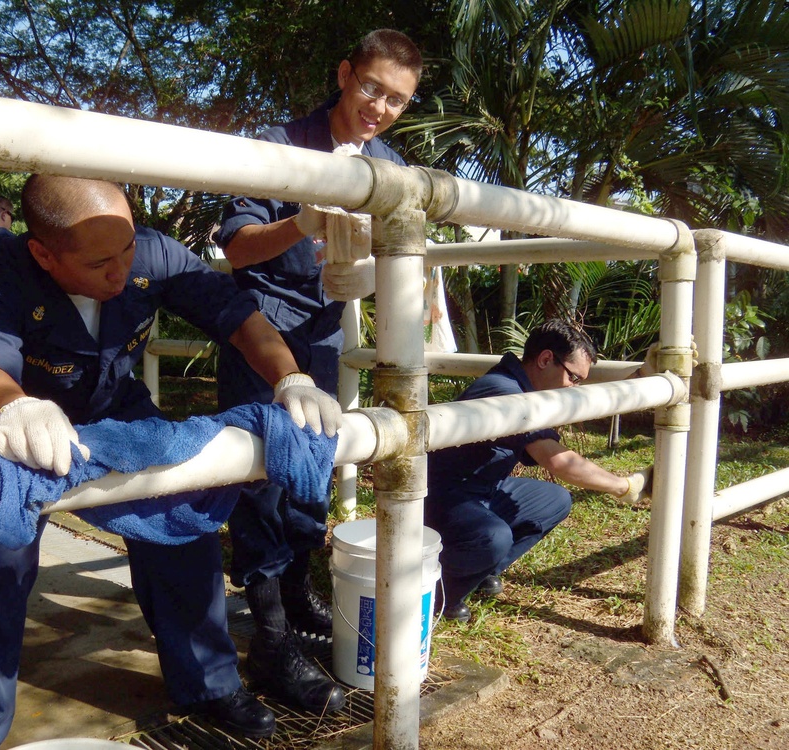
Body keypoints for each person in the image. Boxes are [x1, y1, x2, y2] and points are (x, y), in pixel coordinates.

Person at [0, 174, 344, 747]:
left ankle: (209, 682)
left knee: (182, 525)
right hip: (16, 420)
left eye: (126, 249)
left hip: (116, 409)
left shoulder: (150, 250)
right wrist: (16, 409)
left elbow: (237, 314)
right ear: (42, 253)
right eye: (100, 261)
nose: (121, 270)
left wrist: (290, 375)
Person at [212, 28, 422, 708]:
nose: (380, 108)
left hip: (326, 329)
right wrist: (303, 223)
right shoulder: (278, 143)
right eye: (371, 88)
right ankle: (269, 636)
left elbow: (395, 261)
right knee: (263, 475)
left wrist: (362, 280)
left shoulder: (388, 163)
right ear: (343, 74)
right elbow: (238, 251)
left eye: (396, 99)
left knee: (315, 469)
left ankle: (298, 599)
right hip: (262, 323)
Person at [425, 319, 652, 624]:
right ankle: (441, 593)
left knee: (554, 500)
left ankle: (479, 572)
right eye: (574, 378)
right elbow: (558, 461)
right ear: (546, 359)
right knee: (494, 538)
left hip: (484, 491)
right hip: (441, 500)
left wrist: (644, 377)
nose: (576, 388)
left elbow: (592, 399)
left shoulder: (522, 388)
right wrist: (624, 486)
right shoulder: (506, 392)